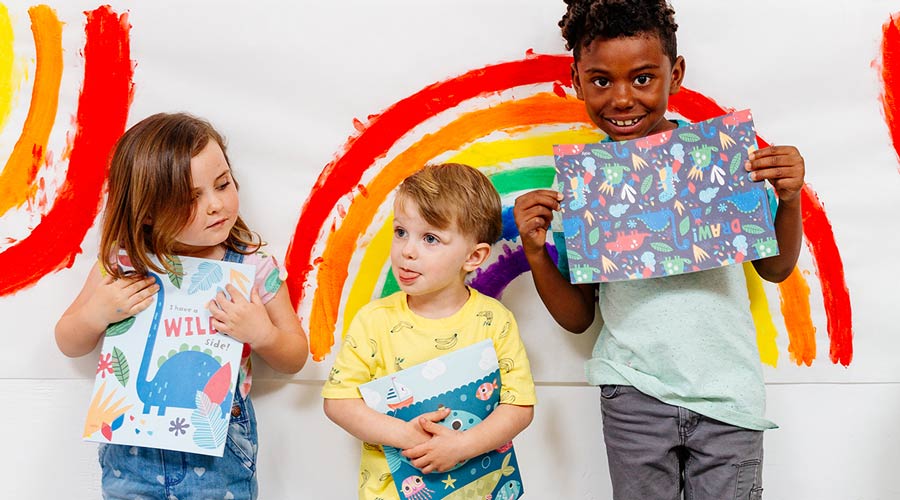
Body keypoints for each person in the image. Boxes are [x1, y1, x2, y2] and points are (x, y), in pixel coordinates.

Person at [513, 1, 805, 499]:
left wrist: (789, 197)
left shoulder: (719, 160)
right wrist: (537, 253)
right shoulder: (586, 185)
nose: (622, 99)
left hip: (726, 396)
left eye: (643, 78)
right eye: (601, 81)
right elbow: (581, 317)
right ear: (577, 81)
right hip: (633, 395)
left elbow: (776, 268)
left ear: (676, 74)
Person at [55, 112, 309, 499]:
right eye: (191, 197)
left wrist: (263, 334)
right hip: (130, 458)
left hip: (220, 455)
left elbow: (295, 356)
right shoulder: (123, 265)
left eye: (222, 184)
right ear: (149, 211)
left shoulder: (253, 267)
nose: (216, 205)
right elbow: (68, 341)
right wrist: (96, 314)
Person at [323, 163, 536, 500]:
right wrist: (408, 436)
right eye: (401, 232)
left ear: (474, 256)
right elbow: (339, 401)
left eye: (430, 238)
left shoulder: (495, 320)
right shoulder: (373, 321)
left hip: (477, 491)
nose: (407, 250)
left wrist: (461, 446)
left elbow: (519, 406)